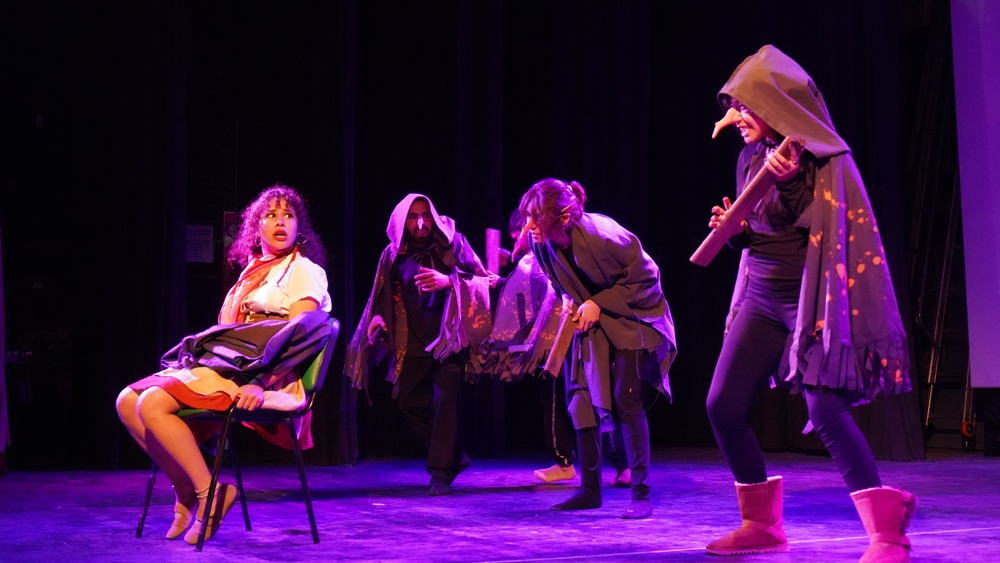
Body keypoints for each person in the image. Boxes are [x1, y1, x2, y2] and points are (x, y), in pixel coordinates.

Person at [704, 45, 915, 560]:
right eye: (736, 107)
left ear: (774, 105)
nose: (738, 117)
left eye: (747, 106)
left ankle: (888, 535)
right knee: (722, 405)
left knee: (825, 409)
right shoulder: (748, 158)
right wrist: (732, 229)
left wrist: (790, 181)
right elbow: (762, 231)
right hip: (761, 294)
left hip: (812, 295)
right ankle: (761, 525)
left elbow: (823, 226)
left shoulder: (824, 159)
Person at [116, 184, 333, 545]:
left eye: (289, 215)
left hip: (263, 373)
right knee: (127, 401)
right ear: (256, 227)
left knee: (151, 404)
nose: (281, 222)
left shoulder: (302, 270)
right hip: (230, 366)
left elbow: (301, 336)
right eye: (271, 215)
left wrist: (259, 383)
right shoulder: (253, 272)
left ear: (300, 227)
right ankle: (188, 488)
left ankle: (209, 494)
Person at [518, 178, 677, 519]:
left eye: (536, 216)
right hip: (592, 322)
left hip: (631, 317)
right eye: (527, 217)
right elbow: (561, 283)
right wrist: (574, 301)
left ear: (562, 216)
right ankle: (590, 491)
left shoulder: (601, 234)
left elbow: (647, 277)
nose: (529, 225)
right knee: (580, 397)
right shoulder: (541, 243)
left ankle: (640, 493)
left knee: (626, 398)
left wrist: (599, 303)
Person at [345, 193, 493, 496]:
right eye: (413, 217)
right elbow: (382, 293)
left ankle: (439, 473)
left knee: (444, 399)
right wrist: (378, 318)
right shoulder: (393, 254)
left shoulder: (453, 244)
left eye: (425, 216)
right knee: (408, 401)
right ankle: (454, 455)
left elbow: (484, 281)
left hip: (450, 339)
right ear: (403, 221)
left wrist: (448, 281)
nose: (421, 224)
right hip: (414, 339)